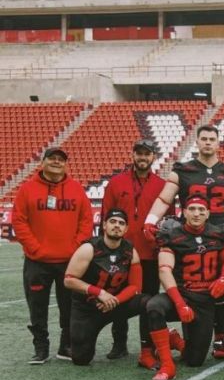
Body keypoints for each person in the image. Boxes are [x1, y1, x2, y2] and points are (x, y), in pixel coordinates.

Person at [143, 125, 224, 359]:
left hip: (220, 236)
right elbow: (164, 197)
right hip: (188, 236)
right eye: (204, 139)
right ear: (197, 142)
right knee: (187, 282)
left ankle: (219, 338)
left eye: (212, 139)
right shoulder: (183, 170)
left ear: (219, 143)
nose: (208, 142)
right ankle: (187, 326)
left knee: (219, 290)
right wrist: (150, 220)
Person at [13, 146, 94, 364]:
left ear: (66, 164)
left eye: (61, 159)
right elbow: (19, 221)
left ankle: (65, 345)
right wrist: (35, 248)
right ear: (43, 162)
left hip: (69, 262)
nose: (57, 162)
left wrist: (75, 248)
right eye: (52, 158)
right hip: (37, 261)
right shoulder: (27, 189)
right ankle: (41, 348)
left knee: (69, 305)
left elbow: (86, 220)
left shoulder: (76, 189)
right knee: (37, 306)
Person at [144, 195, 224, 380]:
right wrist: (179, 303)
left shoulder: (217, 233)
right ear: (183, 212)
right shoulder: (172, 236)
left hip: (204, 299)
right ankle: (167, 366)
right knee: (154, 306)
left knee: (195, 361)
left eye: (201, 210)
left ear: (208, 213)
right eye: (192, 209)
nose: (196, 213)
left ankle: (175, 340)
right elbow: (164, 271)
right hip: (181, 295)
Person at [102, 138, 170, 362]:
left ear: (154, 157)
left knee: (149, 301)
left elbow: (167, 220)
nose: (142, 157)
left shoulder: (162, 185)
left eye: (147, 153)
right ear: (133, 155)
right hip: (122, 253)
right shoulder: (116, 183)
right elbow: (106, 217)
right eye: (139, 153)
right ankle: (119, 343)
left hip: (150, 253)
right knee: (119, 299)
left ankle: (148, 346)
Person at [63, 209, 150, 366]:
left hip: (114, 304)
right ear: (104, 225)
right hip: (88, 308)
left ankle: (149, 350)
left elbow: (135, 286)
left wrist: (115, 300)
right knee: (81, 358)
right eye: (113, 221)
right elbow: (69, 280)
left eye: (121, 223)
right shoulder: (89, 248)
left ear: (126, 229)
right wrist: (99, 292)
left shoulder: (130, 251)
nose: (117, 226)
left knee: (148, 302)